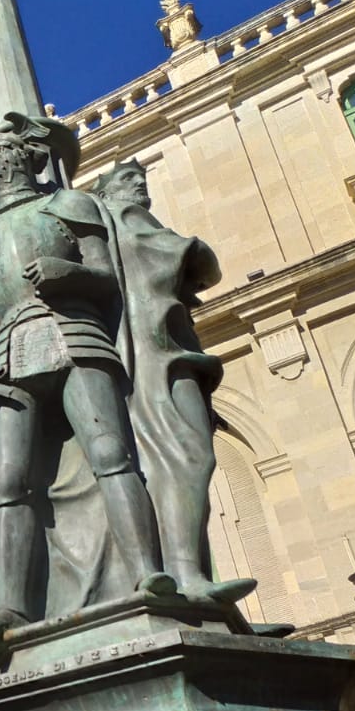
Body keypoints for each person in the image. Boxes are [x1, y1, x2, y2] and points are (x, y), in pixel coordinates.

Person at [0, 114, 173, 643]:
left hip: (74, 334)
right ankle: (14, 609)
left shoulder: (68, 206)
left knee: (110, 454)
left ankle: (147, 573)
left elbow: (109, 275)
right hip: (7, 356)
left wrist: (71, 274)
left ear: (12, 157)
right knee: (8, 483)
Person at [92, 160, 254, 603]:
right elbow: (200, 261)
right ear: (105, 192)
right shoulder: (123, 216)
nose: (138, 185)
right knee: (188, 456)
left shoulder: (112, 222)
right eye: (127, 179)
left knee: (173, 461)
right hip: (155, 355)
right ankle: (186, 574)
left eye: (141, 178)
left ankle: (183, 573)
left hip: (157, 352)